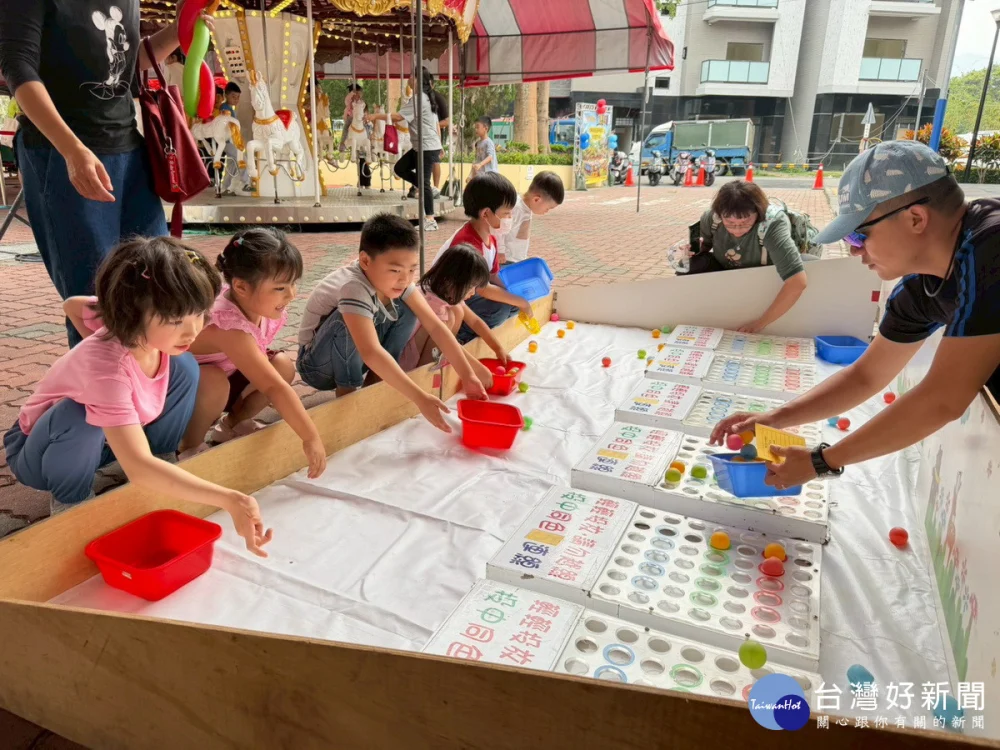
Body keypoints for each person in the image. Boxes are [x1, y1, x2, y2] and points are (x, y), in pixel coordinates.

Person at [710, 140, 1000, 490]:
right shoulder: (922, 288)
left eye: (860, 234)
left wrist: (821, 461)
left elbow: (941, 399)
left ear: (916, 218)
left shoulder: (991, 248)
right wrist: (775, 419)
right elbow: (865, 375)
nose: (854, 251)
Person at [3, 237, 272, 556]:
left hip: (105, 441)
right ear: (132, 314)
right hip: (38, 452)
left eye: (200, 314)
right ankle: (71, 500)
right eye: (175, 321)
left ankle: (162, 459)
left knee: (184, 364)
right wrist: (232, 499)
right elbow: (138, 468)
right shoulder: (107, 372)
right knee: (79, 413)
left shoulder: (133, 325)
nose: (192, 332)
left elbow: (72, 305)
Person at [0, 0, 214, 347]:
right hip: (61, 150)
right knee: (94, 294)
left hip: (128, 149)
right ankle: (105, 396)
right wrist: (71, 149)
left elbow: (127, 66)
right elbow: (18, 68)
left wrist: (180, 30)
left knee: (158, 276)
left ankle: (152, 388)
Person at [296, 214, 489, 432]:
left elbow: (434, 326)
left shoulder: (400, 284)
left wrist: (468, 374)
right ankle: (348, 398)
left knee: (408, 305)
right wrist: (420, 397)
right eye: (396, 270)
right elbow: (371, 352)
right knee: (346, 319)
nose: (405, 279)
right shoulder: (353, 287)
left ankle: (376, 384)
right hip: (317, 366)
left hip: (353, 353)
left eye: (412, 270)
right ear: (365, 261)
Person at [178, 228, 326, 478]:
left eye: (293, 283)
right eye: (280, 287)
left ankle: (231, 426)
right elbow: (273, 388)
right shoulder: (227, 325)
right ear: (241, 286)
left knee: (282, 365)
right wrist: (310, 437)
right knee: (216, 380)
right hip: (186, 392)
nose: (291, 294)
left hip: (229, 371)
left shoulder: (259, 307)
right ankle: (189, 447)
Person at [690, 180, 809, 333]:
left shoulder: (773, 223)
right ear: (719, 215)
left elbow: (798, 282)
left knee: (810, 266)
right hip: (728, 271)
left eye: (745, 222)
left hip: (766, 276)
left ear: (758, 214)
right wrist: (690, 250)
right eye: (729, 222)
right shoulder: (709, 217)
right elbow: (697, 246)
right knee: (687, 264)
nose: (737, 229)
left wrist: (760, 323)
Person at [439, 172, 532, 344]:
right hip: (451, 299)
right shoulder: (467, 243)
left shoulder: (491, 237)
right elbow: (482, 288)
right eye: (506, 213)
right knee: (501, 307)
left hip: (471, 292)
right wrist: (520, 301)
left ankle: (484, 328)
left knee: (511, 300)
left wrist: (516, 293)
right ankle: (462, 336)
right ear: (486, 214)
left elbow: (493, 274)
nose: (509, 219)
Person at [399, 243, 510, 374]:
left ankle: (438, 360)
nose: (473, 293)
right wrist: (475, 369)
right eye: (470, 287)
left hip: (430, 347)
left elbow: (475, 321)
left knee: (457, 310)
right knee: (451, 316)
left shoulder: (446, 293)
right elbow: (448, 342)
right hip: (405, 362)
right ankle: (425, 373)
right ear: (450, 281)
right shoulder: (430, 301)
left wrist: (498, 349)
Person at [369, 70, 442, 231]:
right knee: (400, 168)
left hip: (426, 147)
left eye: (411, 76)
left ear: (416, 80)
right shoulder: (423, 98)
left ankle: (430, 218)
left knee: (423, 183)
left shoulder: (419, 99)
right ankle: (429, 189)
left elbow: (397, 117)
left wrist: (375, 116)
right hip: (421, 147)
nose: (408, 79)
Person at [496, 170, 565, 266]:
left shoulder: (527, 208)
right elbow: (499, 231)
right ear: (537, 199)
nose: (546, 212)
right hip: (506, 260)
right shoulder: (515, 208)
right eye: (548, 208)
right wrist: (500, 252)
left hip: (516, 260)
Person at [423, 68, 450, 196]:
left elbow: (447, 121)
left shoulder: (438, 98)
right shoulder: (421, 99)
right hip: (422, 136)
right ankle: (423, 187)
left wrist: (432, 126)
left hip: (434, 135)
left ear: (432, 84)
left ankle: (436, 187)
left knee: (435, 160)